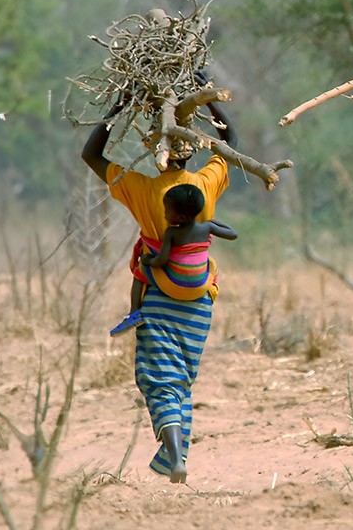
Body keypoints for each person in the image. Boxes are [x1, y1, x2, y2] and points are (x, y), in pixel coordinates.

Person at [80, 70, 235, 483]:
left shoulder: (144, 189)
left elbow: (91, 156)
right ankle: (176, 456)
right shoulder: (205, 184)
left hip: (159, 297)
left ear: (158, 153)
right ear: (191, 151)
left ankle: (173, 452)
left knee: (157, 378)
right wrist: (206, 96)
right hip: (201, 298)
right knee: (182, 380)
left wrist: (118, 105)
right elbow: (230, 141)